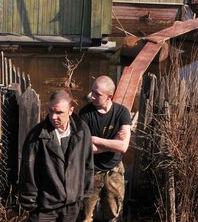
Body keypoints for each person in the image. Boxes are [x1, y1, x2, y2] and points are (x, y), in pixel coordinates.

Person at [19, 90, 94, 222]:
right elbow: (28, 172)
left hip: (72, 205)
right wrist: (30, 203)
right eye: (50, 111)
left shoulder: (82, 130)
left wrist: (85, 195)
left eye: (59, 112)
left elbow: (88, 164)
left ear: (71, 110)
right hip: (45, 208)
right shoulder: (36, 136)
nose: (53, 117)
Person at [79, 76, 132, 222]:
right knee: (85, 216)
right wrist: (112, 143)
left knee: (113, 215)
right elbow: (84, 148)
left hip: (114, 172)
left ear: (110, 96)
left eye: (97, 94)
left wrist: (96, 140)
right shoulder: (85, 114)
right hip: (91, 172)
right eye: (92, 92)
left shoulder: (122, 112)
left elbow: (123, 146)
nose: (92, 96)